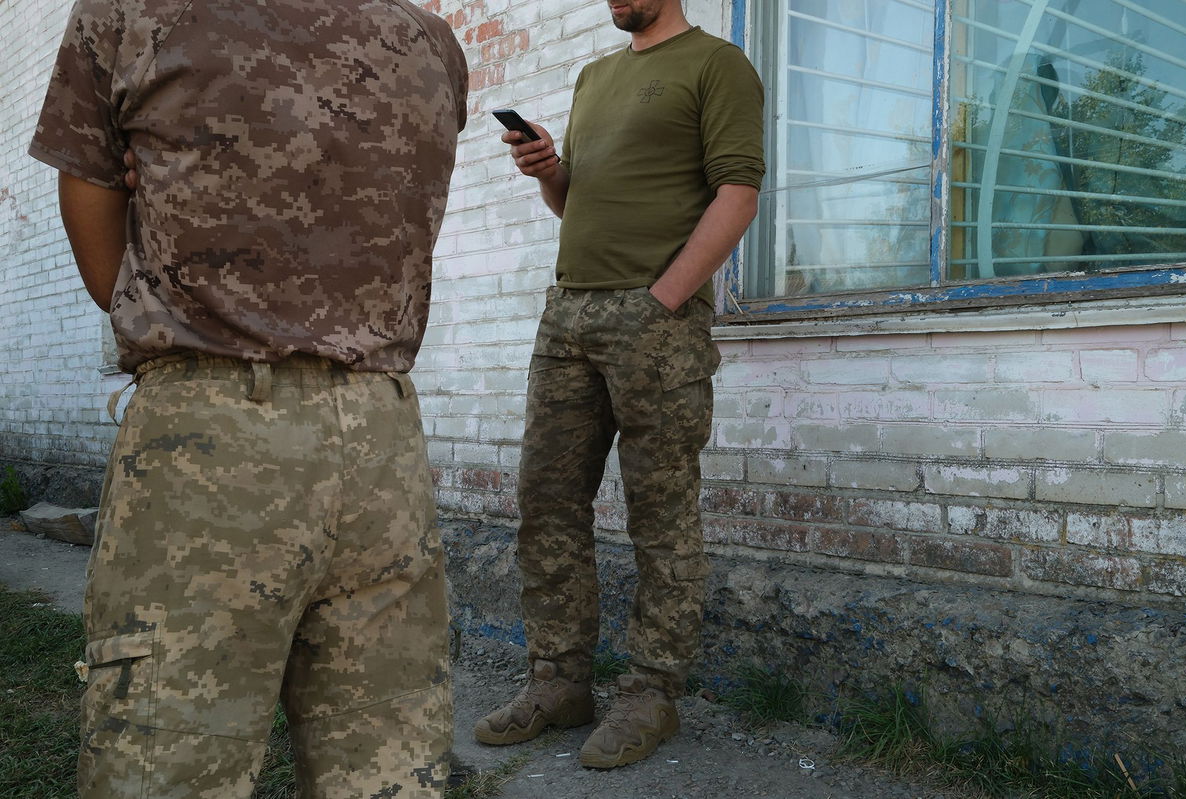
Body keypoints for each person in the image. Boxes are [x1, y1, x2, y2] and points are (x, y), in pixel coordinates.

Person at [29, 1, 467, 796]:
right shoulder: (429, 39)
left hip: (207, 440)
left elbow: (101, 254)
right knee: (389, 760)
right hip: (382, 445)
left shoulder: (131, 12)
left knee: (167, 759)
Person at [474, 0, 764, 770]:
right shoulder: (594, 76)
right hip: (567, 314)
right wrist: (550, 172)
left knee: (660, 512)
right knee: (547, 499)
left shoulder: (717, 65)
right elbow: (578, 205)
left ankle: (650, 692)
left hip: (656, 324)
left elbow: (738, 193)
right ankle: (560, 680)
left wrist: (663, 299)